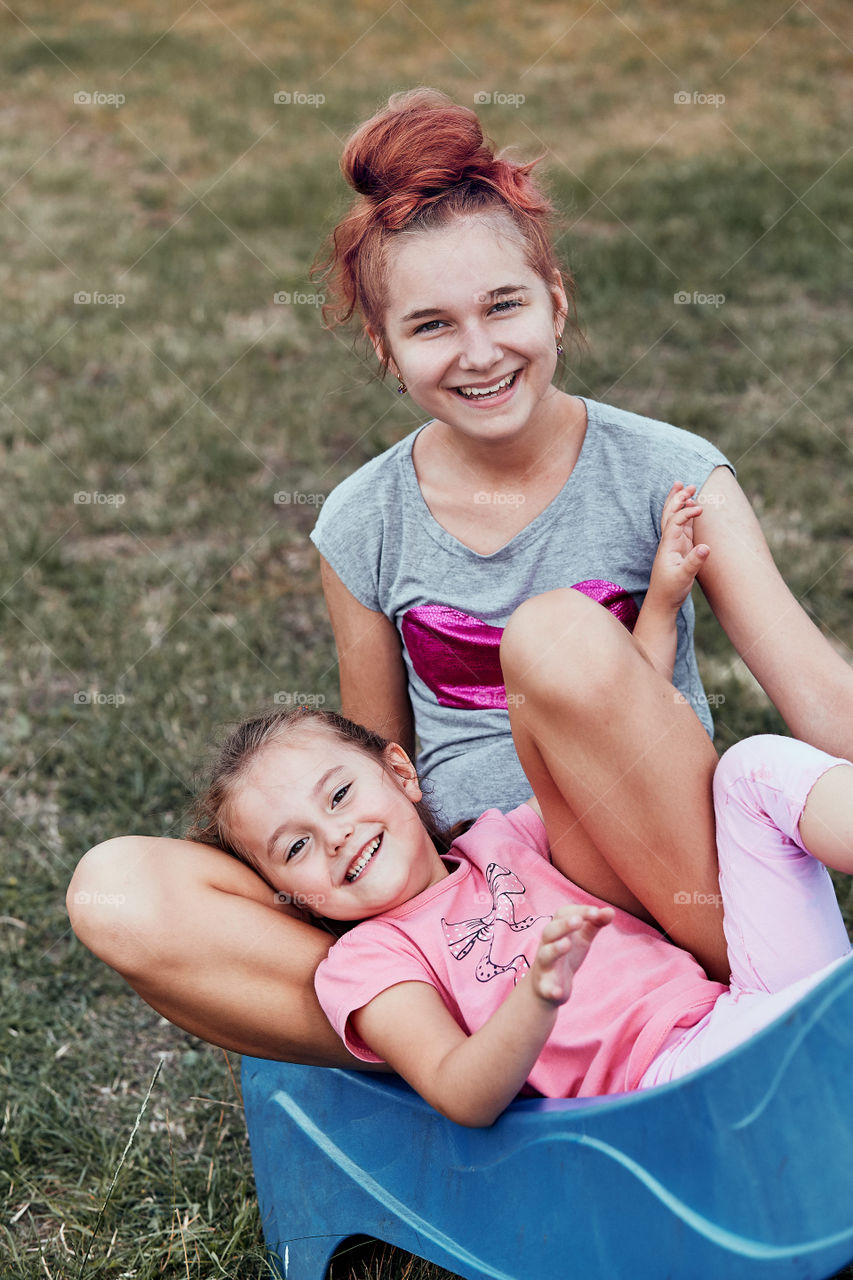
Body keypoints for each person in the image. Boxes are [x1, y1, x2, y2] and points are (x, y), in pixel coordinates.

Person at [66, 89, 853, 1063]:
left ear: (555, 300)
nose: (480, 352)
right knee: (114, 888)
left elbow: (819, 693)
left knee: (556, 634)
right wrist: (420, 928)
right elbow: (380, 757)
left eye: (504, 305)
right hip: (475, 908)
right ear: (384, 348)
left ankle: (691, 1008)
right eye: (431, 325)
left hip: (659, 875)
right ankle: (448, 1042)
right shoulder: (363, 521)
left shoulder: (669, 471)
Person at [186, 698, 853, 1128]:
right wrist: (536, 995)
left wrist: (654, 611)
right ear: (289, 894)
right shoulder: (367, 961)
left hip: (743, 1002)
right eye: (295, 846)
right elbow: (459, 1092)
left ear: (400, 773)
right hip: (667, 1085)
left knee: (751, 770)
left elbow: (612, 753)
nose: (333, 836)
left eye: (338, 794)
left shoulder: (503, 838)